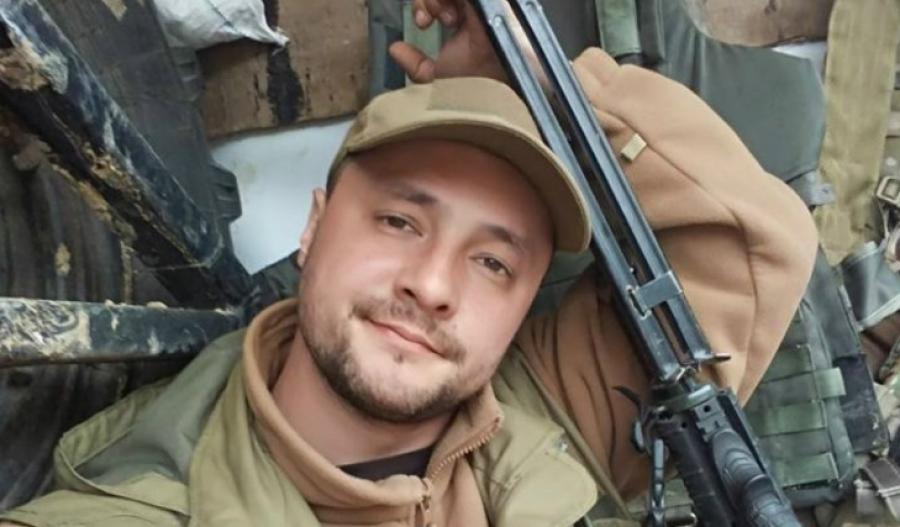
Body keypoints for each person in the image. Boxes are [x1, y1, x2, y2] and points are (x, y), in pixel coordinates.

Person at [0, 0, 818, 525]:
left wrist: (544, 90)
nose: (430, 285)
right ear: (314, 227)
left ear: (525, 301)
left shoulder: (560, 415)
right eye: (398, 221)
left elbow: (755, 238)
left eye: (493, 263)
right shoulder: (128, 508)